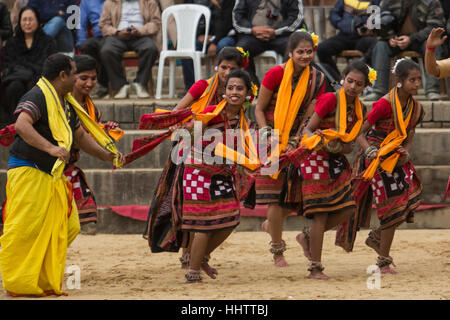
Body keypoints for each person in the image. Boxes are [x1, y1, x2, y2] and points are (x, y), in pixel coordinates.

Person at [0, 53, 124, 297]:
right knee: (26, 230)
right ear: (63, 75)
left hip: (51, 175)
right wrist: (51, 148)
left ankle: (39, 278)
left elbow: (80, 138)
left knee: (68, 226)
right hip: (28, 171)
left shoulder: (67, 102)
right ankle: (20, 283)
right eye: (76, 72)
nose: (79, 78)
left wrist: (109, 156)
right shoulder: (37, 95)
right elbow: (22, 125)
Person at [142, 46, 245, 269]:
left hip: (222, 157)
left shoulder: (240, 91)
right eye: (223, 67)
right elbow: (178, 111)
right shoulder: (203, 86)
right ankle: (189, 254)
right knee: (187, 207)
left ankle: (195, 256)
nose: (226, 72)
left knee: (207, 208)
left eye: (232, 68)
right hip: (189, 148)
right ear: (216, 67)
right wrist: (188, 127)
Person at [339, 58, 424, 274]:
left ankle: (378, 240)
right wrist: (369, 150)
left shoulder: (416, 108)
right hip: (376, 157)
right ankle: (383, 259)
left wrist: (407, 153)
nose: (417, 84)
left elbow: (410, 135)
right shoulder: (384, 104)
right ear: (399, 81)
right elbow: (359, 130)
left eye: (419, 80)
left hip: (396, 158)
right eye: (412, 80)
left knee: (408, 199)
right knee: (389, 206)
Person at [254, 30, 325, 267]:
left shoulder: (318, 79)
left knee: (297, 198)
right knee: (275, 199)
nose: (305, 56)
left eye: (309, 52)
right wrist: (267, 133)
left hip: (298, 141)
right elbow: (259, 109)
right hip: (270, 139)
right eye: (300, 52)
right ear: (290, 53)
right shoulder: (276, 73)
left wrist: (299, 137)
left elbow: (313, 113)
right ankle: (277, 250)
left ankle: (271, 224)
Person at [180, 69, 255, 282]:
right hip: (198, 172)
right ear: (224, 91)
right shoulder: (212, 112)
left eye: (239, 88)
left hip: (220, 174)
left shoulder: (243, 122)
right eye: (230, 88)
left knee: (232, 218)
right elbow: (189, 136)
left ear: (248, 94)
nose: (234, 92)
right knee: (205, 223)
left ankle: (201, 258)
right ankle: (193, 272)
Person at [297, 60, 370, 280]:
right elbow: (307, 130)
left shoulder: (360, 110)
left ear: (364, 87)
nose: (353, 87)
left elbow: (350, 144)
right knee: (321, 215)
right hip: (315, 158)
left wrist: (339, 146)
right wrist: (324, 141)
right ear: (342, 79)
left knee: (348, 207)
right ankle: (315, 268)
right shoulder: (330, 98)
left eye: (358, 84)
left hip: (336, 161)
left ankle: (309, 237)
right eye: (350, 81)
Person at [64, 54, 123, 236]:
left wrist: (104, 133)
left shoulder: (92, 109)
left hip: (68, 164)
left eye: (93, 78)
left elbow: (88, 137)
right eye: (84, 78)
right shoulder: (60, 102)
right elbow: (80, 136)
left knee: (83, 221)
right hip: (47, 165)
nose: (89, 83)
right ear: (71, 77)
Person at [364, 0, 445, 101]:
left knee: (433, 46)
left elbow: (435, 27)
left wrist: (411, 39)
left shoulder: (432, 2)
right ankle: (378, 91)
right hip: (396, 40)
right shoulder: (388, 1)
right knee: (381, 46)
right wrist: (389, 36)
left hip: (421, 40)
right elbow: (378, 23)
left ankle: (432, 90)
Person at [1, 6, 57, 124]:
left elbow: (47, 65)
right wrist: (27, 71)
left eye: (31, 20)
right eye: (24, 19)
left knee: (33, 86)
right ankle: (13, 124)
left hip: (38, 80)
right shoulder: (12, 43)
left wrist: (25, 70)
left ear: (38, 21)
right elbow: (7, 65)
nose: (27, 23)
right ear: (19, 22)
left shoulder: (48, 42)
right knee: (14, 86)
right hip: (15, 81)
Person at [99, 0, 162, 99]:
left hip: (141, 36)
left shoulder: (149, 2)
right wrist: (117, 32)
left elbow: (156, 23)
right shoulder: (110, 2)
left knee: (150, 48)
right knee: (107, 51)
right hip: (117, 36)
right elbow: (103, 25)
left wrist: (140, 31)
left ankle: (140, 83)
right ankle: (121, 86)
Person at [232, 0, 305, 86]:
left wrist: (275, 31)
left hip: (282, 36)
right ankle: (251, 85)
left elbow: (296, 18)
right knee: (240, 50)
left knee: (294, 49)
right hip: (253, 36)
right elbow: (237, 19)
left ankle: (286, 85)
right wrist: (252, 30)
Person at [181, 0, 237, 91]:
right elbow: (188, 17)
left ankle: (223, 87)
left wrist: (214, 41)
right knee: (187, 48)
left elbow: (227, 22)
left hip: (224, 35)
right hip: (203, 37)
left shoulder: (228, 2)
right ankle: (191, 89)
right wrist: (198, 35)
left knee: (223, 46)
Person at [317, 0, 380, 79]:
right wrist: (350, 25)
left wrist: (370, 27)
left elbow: (379, 17)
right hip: (344, 36)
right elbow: (333, 15)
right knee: (322, 49)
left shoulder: (375, 1)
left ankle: (365, 75)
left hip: (364, 38)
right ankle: (337, 80)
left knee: (377, 45)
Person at [76, 0, 109, 98]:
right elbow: (81, 24)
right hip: (97, 35)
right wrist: (81, 42)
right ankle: (94, 84)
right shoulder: (86, 2)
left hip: (113, 35)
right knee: (86, 46)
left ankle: (103, 85)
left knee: (106, 49)